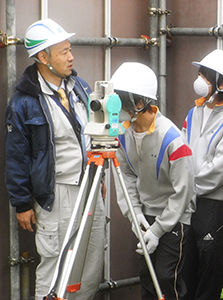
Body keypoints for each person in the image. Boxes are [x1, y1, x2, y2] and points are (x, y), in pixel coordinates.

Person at [5, 19, 105, 300]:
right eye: (63, 52)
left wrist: (100, 178)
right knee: (55, 266)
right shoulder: (24, 102)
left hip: (90, 187)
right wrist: (22, 203)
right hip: (56, 193)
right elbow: (16, 156)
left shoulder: (81, 89)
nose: (71, 57)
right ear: (43, 58)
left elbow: (94, 137)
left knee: (91, 265)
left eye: (70, 49)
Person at [111, 62, 195, 300]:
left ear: (140, 103)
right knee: (148, 277)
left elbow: (183, 192)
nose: (116, 104)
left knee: (167, 278)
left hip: (174, 218)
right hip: (145, 216)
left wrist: (158, 230)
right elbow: (125, 175)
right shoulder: (123, 134)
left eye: (121, 98)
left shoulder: (172, 139)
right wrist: (134, 214)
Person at [181, 49, 223, 300]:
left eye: (206, 76)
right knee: (186, 266)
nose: (200, 81)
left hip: (214, 206)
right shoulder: (193, 112)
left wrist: (187, 187)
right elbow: (181, 152)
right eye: (200, 74)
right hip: (188, 202)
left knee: (209, 269)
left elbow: (220, 170)